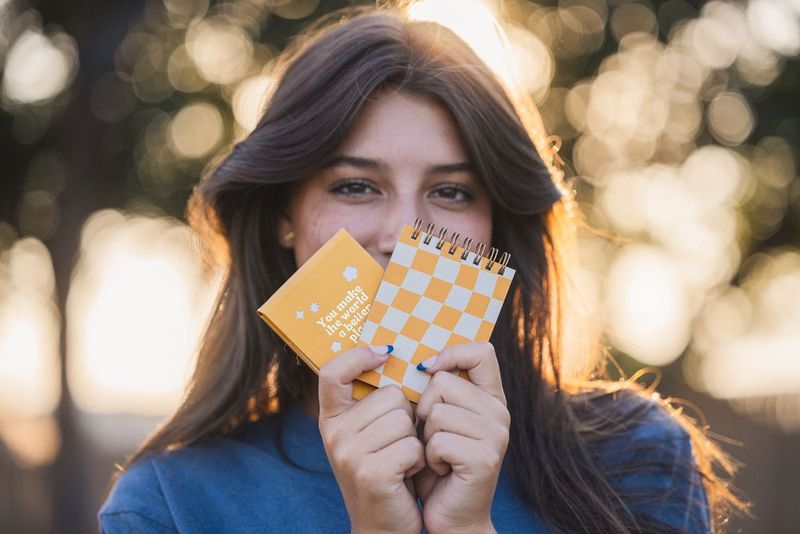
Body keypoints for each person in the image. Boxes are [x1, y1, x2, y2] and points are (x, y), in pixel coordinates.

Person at [98, 6, 746, 533]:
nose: (405, 236)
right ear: (283, 215)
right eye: (355, 186)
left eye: (453, 192)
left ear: (499, 222)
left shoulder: (635, 459)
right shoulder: (169, 508)